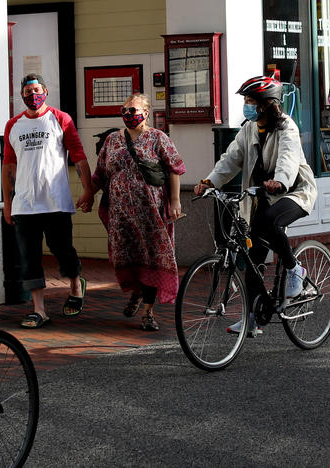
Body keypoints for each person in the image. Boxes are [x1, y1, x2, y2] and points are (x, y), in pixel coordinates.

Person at [194, 75, 318, 336]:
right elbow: (231, 159)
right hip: (261, 197)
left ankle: (296, 270)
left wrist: (280, 182)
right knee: (252, 259)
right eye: (246, 101)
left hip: (294, 192)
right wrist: (210, 181)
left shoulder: (287, 128)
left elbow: (288, 159)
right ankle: (253, 317)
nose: (247, 106)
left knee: (269, 221)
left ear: (266, 104)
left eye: (251, 101)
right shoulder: (249, 129)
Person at [2, 73, 94, 329]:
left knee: (62, 250)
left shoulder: (60, 119)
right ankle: (39, 310)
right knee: (29, 257)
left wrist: (88, 190)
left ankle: (76, 284)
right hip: (25, 204)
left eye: (37, 90)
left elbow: (78, 155)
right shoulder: (13, 125)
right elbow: (8, 165)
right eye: (28, 91)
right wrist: (8, 204)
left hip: (55, 201)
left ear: (45, 91)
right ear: (21, 95)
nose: (33, 95)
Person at [91, 93, 186, 331]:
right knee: (127, 256)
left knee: (153, 257)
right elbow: (100, 174)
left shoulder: (157, 138)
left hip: (150, 214)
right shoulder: (112, 140)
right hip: (121, 216)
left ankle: (148, 312)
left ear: (145, 112)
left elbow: (175, 168)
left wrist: (175, 200)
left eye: (133, 110)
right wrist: (86, 195)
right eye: (124, 110)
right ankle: (136, 291)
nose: (128, 115)